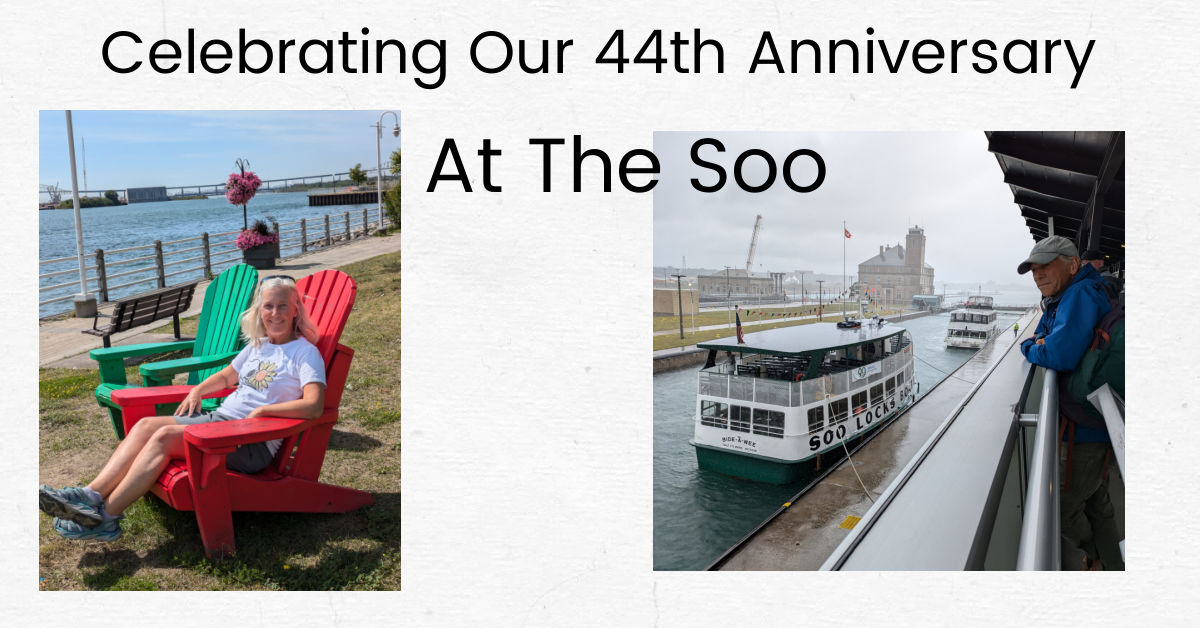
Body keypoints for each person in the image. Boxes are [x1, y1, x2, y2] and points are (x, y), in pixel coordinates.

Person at [38, 276, 327, 542]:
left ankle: (106, 518)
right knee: (146, 425)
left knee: (164, 437)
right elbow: (228, 376)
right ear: (259, 311)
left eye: (282, 307)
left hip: (252, 442)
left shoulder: (304, 353)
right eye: (268, 306)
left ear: (295, 311)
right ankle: (90, 495)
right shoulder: (258, 346)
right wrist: (198, 390)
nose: (274, 314)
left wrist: (266, 413)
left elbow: (314, 406)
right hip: (223, 422)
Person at [1017, 235, 1123, 570]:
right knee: (1096, 502)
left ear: (1073, 265)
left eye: (1046, 265)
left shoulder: (1078, 295)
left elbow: (1057, 353)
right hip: (1095, 418)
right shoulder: (1070, 294)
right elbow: (1049, 336)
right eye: (1033, 269)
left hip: (1085, 427)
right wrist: (1041, 340)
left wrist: (1028, 347)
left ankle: (1102, 558)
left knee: (1060, 507)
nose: (1038, 274)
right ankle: (1109, 563)